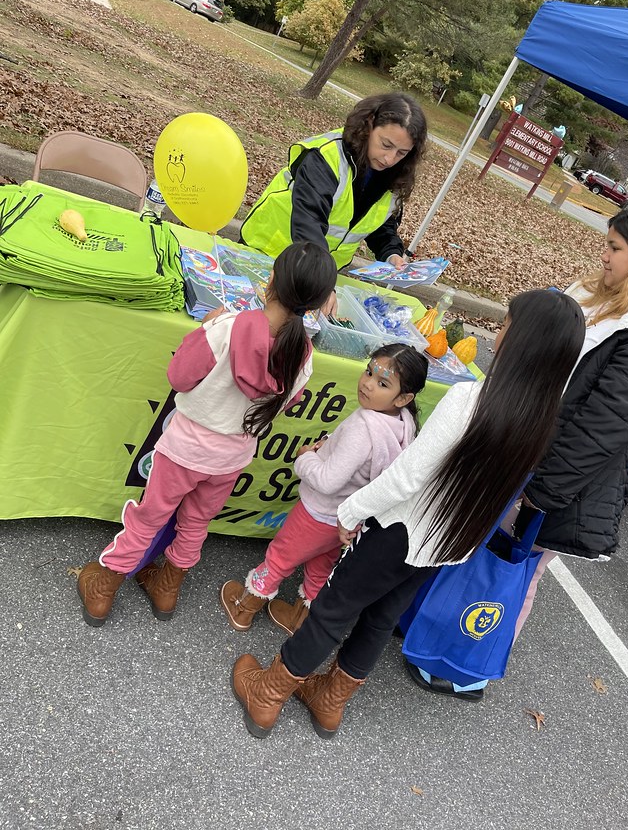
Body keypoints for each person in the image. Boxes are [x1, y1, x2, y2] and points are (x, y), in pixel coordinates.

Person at [228, 288, 586, 739]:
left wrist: (352, 510)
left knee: (333, 609)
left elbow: (408, 476)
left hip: (400, 529)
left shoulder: (469, 400)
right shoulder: (542, 420)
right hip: (448, 543)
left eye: (508, 324)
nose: (500, 333)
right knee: (379, 619)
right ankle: (329, 701)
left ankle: (268, 694)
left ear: (525, 340)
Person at [409, 208, 628, 700]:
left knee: (513, 570)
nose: (604, 255)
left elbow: (602, 427)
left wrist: (543, 491)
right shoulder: (602, 296)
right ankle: (434, 628)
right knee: (479, 548)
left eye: (615, 248)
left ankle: (467, 666)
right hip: (525, 451)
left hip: (560, 478)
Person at [76, 241, 338, 628]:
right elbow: (286, 405)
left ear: (270, 280)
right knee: (197, 521)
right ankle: (168, 587)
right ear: (317, 304)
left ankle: (105, 587)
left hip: (184, 449)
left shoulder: (226, 327)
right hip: (232, 458)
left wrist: (205, 329)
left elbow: (179, 378)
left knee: (149, 517)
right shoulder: (304, 355)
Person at [219, 344, 429, 636]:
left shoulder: (364, 427)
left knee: (281, 557)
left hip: (318, 513)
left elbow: (328, 481)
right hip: (346, 520)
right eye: (369, 372)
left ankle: (245, 607)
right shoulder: (403, 424)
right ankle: (300, 619)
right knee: (321, 568)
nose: (368, 383)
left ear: (404, 396)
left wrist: (305, 457)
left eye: (382, 383)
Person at [239, 93, 428, 270]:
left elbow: (378, 224)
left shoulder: (395, 174)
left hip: (313, 272)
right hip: (266, 253)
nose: (390, 159)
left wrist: (392, 253)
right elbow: (310, 221)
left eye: (402, 153)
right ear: (369, 124)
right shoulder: (327, 156)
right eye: (386, 145)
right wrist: (320, 280)